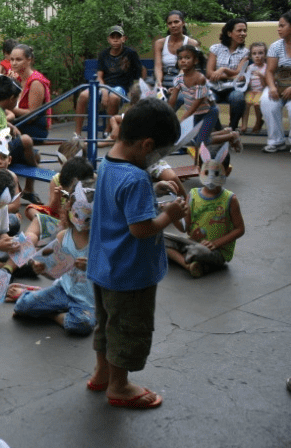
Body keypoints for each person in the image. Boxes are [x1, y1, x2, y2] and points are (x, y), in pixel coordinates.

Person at [86, 97, 187, 408]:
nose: (159, 159)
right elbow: (141, 228)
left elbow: (121, 204)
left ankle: (102, 373)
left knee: (107, 323)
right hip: (131, 274)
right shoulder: (137, 178)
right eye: (160, 153)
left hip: (104, 267)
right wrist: (169, 215)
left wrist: (154, 193)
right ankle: (120, 385)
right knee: (129, 328)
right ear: (146, 145)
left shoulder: (108, 164)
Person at [14, 179, 96, 336]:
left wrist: (91, 266)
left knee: (80, 325)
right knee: (22, 306)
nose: (80, 221)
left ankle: (52, 314)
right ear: (69, 209)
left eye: (88, 218)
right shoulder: (63, 236)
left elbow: (112, 273)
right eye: (77, 214)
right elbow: (54, 270)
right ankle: (39, 298)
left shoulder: (101, 242)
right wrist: (40, 268)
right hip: (64, 289)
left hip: (89, 300)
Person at [165, 143, 244, 278]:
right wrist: (171, 215)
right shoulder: (193, 195)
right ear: (199, 169)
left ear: (228, 171)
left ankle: (188, 259)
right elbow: (186, 228)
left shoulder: (230, 199)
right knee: (160, 239)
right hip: (193, 244)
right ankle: (190, 265)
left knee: (198, 251)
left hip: (216, 252)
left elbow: (239, 229)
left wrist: (215, 244)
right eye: (207, 172)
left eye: (217, 173)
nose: (211, 178)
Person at [75, 26, 144, 138]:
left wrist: (138, 89)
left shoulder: (130, 53)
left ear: (124, 39)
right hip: (104, 86)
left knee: (114, 97)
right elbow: (99, 76)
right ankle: (77, 134)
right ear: (108, 39)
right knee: (83, 95)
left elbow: (141, 71)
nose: (115, 40)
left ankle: (108, 131)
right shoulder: (103, 54)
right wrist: (104, 91)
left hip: (121, 87)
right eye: (113, 37)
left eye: (118, 37)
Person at [167, 45, 218, 146]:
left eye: (187, 58)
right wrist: (168, 113)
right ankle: (226, 132)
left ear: (195, 61)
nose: (183, 61)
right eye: (180, 58)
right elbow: (173, 98)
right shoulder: (178, 79)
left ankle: (231, 136)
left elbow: (196, 102)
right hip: (195, 114)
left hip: (208, 112)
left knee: (200, 142)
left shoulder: (200, 78)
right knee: (192, 140)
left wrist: (183, 118)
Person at [206, 18, 249, 131]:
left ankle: (232, 128)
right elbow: (210, 74)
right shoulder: (215, 49)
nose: (243, 33)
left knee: (238, 98)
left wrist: (222, 70)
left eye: (244, 31)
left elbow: (240, 74)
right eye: (239, 30)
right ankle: (219, 130)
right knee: (205, 98)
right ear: (229, 33)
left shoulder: (245, 52)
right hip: (214, 87)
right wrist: (232, 75)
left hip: (233, 87)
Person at [260, 10, 291, 153]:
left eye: (282, 25)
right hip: (279, 85)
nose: (278, 29)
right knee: (267, 101)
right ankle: (277, 141)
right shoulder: (276, 46)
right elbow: (270, 71)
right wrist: (272, 87)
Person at [8, 43, 51, 143]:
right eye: (12, 59)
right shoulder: (17, 79)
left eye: (18, 59)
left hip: (33, 129)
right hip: (19, 124)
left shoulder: (36, 82)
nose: (14, 63)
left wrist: (7, 108)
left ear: (29, 60)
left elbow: (32, 115)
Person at [153, 10, 199, 90]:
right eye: (170, 23)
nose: (173, 25)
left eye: (176, 22)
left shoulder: (191, 43)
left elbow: (186, 68)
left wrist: (177, 85)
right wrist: (159, 82)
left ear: (183, 23)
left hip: (183, 78)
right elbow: (158, 66)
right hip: (164, 77)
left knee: (179, 98)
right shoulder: (160, 43)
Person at [241, 42, 267, 134]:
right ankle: (244, 125)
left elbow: (266, 85)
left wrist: (261, 76)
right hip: (251, 91)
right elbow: (247, 82)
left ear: (265, 55)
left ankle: (258, 122)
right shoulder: (250, 67)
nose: (257, 56)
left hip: (262, 91)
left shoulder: (266, 68)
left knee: (256, 103)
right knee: (246, 103)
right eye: (254, 54)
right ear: (251, 56)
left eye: (260, 53)